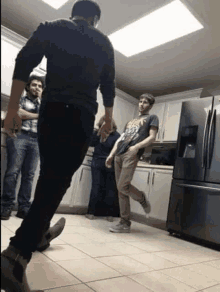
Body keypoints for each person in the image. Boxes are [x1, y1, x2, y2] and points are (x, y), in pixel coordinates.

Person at [1, 1, 115, 291]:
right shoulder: (103, 41)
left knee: (50, 176)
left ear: (74, 13)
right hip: (80, 115)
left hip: (51, 113)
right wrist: (109, 118)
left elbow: (24, 60)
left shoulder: (52, 28)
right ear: (96, 19)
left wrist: (12, 109)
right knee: (57, 181)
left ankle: (39, 236)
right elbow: (108, 84)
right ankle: (15, 255)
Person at [105, 93, 159, 233]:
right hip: (119, 154)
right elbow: (121, 139)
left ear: (150, 105)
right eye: (140, 101)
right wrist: (111, 154)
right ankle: (124, 223)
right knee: (120, 189)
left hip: (131, 153)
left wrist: (135, 147)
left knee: (123, 186)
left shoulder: (152, 118)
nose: (141, 104)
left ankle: (141, 197)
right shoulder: (130, 122)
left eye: (145, 102)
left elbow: (152, 137)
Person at [1, 75, 44, 220]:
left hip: (36, 140)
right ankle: (6, 206)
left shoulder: (44, 103)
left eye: (39, 86)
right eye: (34, 85)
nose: (36, 88)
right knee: (12, 172)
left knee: (29, 176)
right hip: (20, 136)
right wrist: (39, 115)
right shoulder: (20, 98)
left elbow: (50, 117)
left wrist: (43, 102)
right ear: (28, 86)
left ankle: (23, 208)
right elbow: (18, 112)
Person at [85, 116, 120, 222]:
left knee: (96, 186)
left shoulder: (98, 132)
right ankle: (109, 215)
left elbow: (90, 143)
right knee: (110, 188)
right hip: (110, 162)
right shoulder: (117, 135)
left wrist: (99, 132)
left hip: (98, 161)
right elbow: (118, 150)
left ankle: (91, 213)